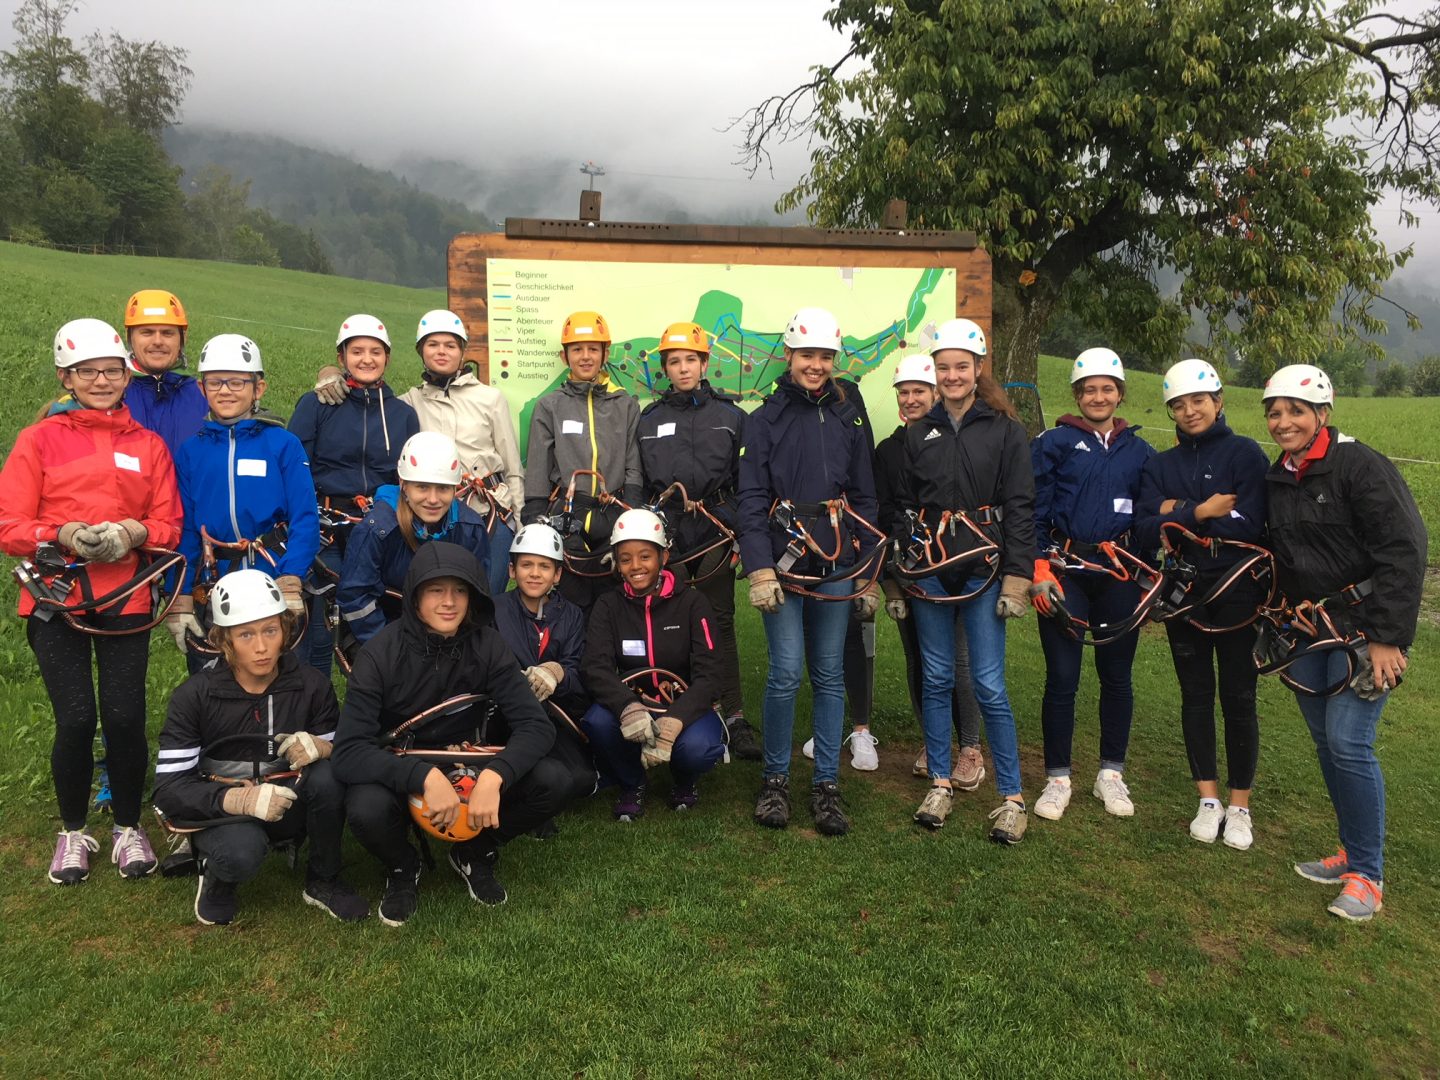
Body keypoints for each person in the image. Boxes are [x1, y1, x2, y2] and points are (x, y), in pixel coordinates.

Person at [0, 318, 182, 884]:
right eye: (86, 372)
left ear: (126, 374)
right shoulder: (38, 440)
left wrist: (133, 532)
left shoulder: (147, 445)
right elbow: (9, 524)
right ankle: (73, 832)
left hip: (125, 596)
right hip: (56, 597)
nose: (101, 381)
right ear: (66, 377)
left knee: (125, 717)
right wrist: (61, 533)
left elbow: (169, 523)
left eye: (110, 370)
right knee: (76, 719)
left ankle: (128, 826)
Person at [1261, 364, 1425, 921]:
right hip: (1311, 630)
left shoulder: (1359, 466)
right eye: (1275, 412)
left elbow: (1404, 550)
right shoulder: (1280, 476)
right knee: (1326, 743)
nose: (1284, 422)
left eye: (1296, 411)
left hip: (1364, 629)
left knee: (1350, 742)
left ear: (1322, 414)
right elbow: (1284, 553)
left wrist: (1388, 638)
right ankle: (1352, 853)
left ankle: (1368, 877)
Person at [333, 542, 567, 924]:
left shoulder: (488, 644)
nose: (449, 602)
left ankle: (475, 851)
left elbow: (535, 725)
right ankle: (402, 865)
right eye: (435, 590)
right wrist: (422, 777)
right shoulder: (379, 654)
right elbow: (347, 751)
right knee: (366, 807)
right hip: (402, 763)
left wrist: (496, 775)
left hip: (468, 757)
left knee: (554, 779)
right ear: (414, 596)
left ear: (473, 596)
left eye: (460, 590)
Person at [154, 569, 368, 926]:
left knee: (328, 775)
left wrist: (323, 747)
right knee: (241, 851)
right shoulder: (194, 696)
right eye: (245, 634)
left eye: (270, 630)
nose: (261, 647)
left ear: (285, 629)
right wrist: (239, 799)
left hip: (289, 800)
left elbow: (350, 754)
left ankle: (324, 880)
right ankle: (217, 877)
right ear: (224, 639)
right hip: (225, 811)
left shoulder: (312, 685)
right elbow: (168, 789)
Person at [738, 307, 882, 837]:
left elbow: (865, 495)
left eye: (824, 356)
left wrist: (867, 570)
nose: (816, 365)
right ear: (789, 355)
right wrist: (759, 569)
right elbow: (751, 499)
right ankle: (775, 780)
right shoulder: (765, 419)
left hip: (837, 560)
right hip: (783, 561)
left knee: (828, 672)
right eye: (807, 355)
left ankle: (826, 784)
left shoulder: (849, 416)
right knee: (785, 671)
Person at [898, 319, 1035, 840]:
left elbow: (1020, 506)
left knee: (988, 683)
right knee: (936, 677)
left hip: (984, 569)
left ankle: (1012, 798)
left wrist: (1018, 576)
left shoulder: (1005, 431)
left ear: (978, 369)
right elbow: (903, 506)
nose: (952, 376)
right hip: (932, 572)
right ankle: (940, 782)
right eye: (944, 367)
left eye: (961, 366)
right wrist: (902, 569)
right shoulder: (919, 433)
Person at [1135, 358, 1269, 850]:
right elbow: (1143, 527)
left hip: (1238, 589)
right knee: (1195, 694)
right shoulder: (1160, 464)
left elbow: (1250, 522)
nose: (1189, 411)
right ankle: (1208, 800)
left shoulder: (1245, 454)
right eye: (1179, 404)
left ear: (1218, 401)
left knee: (1238, 696)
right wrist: (1205, 510)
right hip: (1185, 592)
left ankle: (1240, 807)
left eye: (1198, 401)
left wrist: (1175, 513)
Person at [315, 309, 524, 599]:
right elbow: (368, 393)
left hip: (489, 512)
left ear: (462, 352)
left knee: (486, 596)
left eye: (450, 345)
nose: (441, 352)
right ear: (421, 352)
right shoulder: (408, 403)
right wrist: (330, 373)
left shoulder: (490, 399)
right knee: (439, 595)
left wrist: (519, 522)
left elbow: (513, 467)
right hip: (435, 514)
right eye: (432, 345)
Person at [1028, 348, 1156, 822]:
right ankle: (1057, 778)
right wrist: (1038, 566)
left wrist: (1148, 574)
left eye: (1107, 389)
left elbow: (1148, 519)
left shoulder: (1140, 451)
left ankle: (1111, 774)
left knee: (1117, 676)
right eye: (1089, 390)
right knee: (1062, 676)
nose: (1098, 397)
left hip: (1119, 575)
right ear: (1077, 395)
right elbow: (1034, 508)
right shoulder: (1054, 442)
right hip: (1066, 571)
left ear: (1120, 394)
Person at [637, 320, 760, 759]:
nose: (684, 368)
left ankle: (734, 716)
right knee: (670, 624)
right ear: (665, 368)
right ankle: (684, 710)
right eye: (675, 361)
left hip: (715, 531)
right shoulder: (649, 420)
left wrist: (735, 531)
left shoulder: (732, 417)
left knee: (718, 623)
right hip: (668, 534)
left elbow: (749, 482)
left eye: (691, 359)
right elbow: (642, 485)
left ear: (704, 363)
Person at [163, 335, 320, 674]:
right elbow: (186, 528)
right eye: (215, 382)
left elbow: (305, 517)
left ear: (258, 388)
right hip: (215, 577)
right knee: (216, 677)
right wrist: (181, 594)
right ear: (202, 389)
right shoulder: (191, 452)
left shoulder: (283, 444)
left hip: (273, 570)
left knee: (282, 672)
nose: (225, 391)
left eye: (237, 382)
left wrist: (291, 576)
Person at [875, 354, 986, 792]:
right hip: (908, 567)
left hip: (954, 565)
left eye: (919, 391)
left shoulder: (955, 441)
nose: (910, 399)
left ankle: (970, 747)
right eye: (903, 393)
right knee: (918, 658)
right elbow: (884, 513)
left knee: (958, 659)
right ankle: (934, 740)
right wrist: (891, 582)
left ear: (936, 393)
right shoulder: (888, 450)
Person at [288, 315, 420, 674]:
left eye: (375, 352)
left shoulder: (402, 415)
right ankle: (316, 699)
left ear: (387, 357)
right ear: (341, 356)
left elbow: (408, 477)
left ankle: (375, 689)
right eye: (357, 351)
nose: (366, 359)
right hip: (327, 526)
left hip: (380, 527)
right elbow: (296, 467)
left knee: (379, 618)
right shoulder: (316, 405)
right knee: (320, 628)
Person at [580, 509, 726, 820]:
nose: (635, 566)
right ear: (617, 563)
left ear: (663, 556)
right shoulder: (608, 605)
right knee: (597, 721)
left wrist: (675, 721)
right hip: (635, 703)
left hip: (684, 705)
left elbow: (712, 673)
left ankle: (684, 779)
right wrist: (627, 707)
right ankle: (632, 782)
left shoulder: (693, 603)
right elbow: (595, 667)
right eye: (625, 559)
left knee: (698, 748)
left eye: (645, 556)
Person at [522, 310, 642, 615]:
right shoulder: (550, 406)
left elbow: (633, 460)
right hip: (567, 513)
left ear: (605, 354)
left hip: (613, 511)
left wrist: (630, 506)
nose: (585, 356)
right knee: (570, 600)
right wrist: (535, 510)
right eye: (577, 349)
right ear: (565, 356)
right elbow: (538, 462)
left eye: (592, 349)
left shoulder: (625, 404)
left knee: (616, 600)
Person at [336, 431, 491, 650]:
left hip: (449, 637)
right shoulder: (377, 530)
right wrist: (391, 650)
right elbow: (355, 597)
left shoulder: (470, 530)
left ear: (455, 488)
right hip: (386, 632)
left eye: (443, 488)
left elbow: (476, 597)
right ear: (403, 485)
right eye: (422, 487)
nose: (433, 499)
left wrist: (450, 647)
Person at [492, 523, 597, 815]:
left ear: (558, 574)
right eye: (526, 565)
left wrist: (557, 673)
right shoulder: (495, 610)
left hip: (554, 716)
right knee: (543, 775)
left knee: (582, 780)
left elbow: (578, 673)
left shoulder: (572, 616)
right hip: (504, 716)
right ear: (512, 570)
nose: (535, 573)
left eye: (544, 566)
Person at [121, 289, 208, 456]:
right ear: (130, 337)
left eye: (167, 333)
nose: (157, 341)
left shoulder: (203, 395)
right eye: (147, 332)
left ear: (182, 339)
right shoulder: (111, 394)